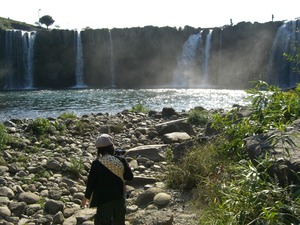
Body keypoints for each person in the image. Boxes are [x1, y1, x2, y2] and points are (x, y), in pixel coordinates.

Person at [81, 134, 134, 225]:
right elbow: (129, 177)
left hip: (103, 201)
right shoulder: (121, 160)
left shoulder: (96, 163)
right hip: (119, 199)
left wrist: (85, 199)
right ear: (112, 147)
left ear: (99, 150)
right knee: (119, 222)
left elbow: (91, 184)